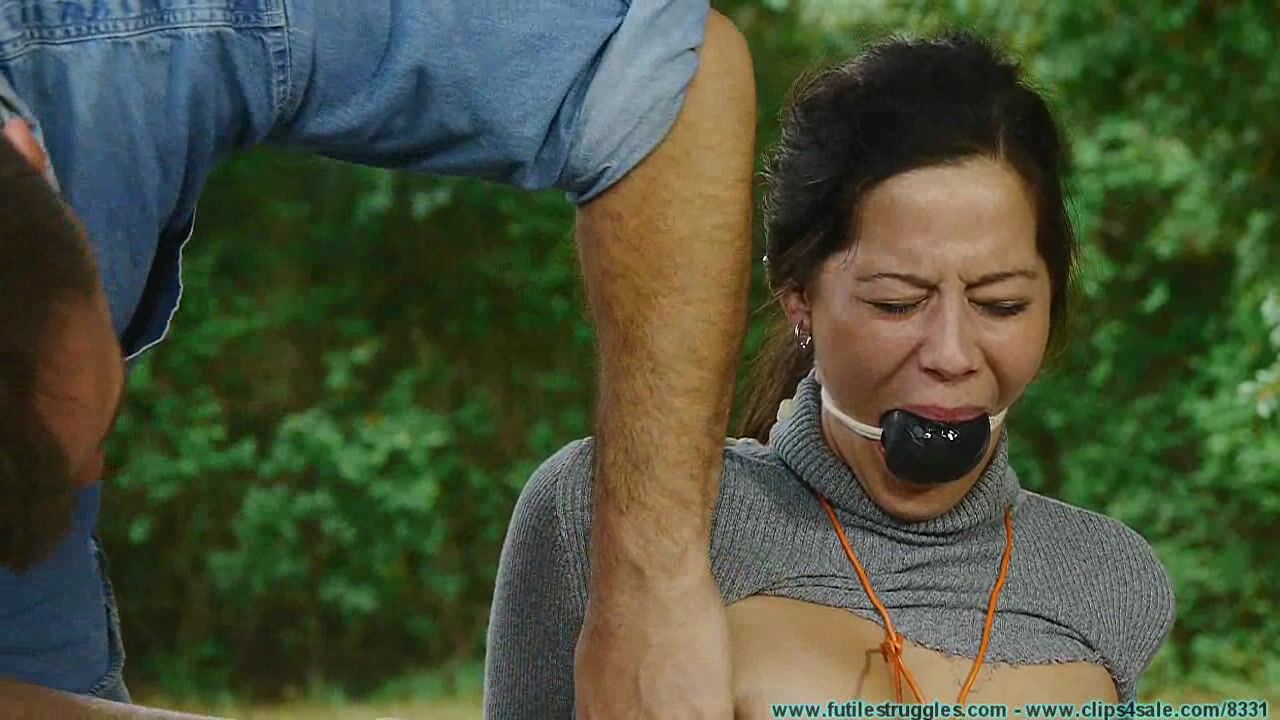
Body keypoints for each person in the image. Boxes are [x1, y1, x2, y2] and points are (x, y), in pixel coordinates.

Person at [0, 2, 755, 717]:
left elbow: (667, 74)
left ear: (31, 155)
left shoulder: (133, 33)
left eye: (97, 422)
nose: (97, 471)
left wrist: (654, 588)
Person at [485, 33, 1176, 717]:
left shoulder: (1111, 579)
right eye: (896, 303)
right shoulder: (611, 514)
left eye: (1001, 305)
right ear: (798, 296)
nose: (952, 353)